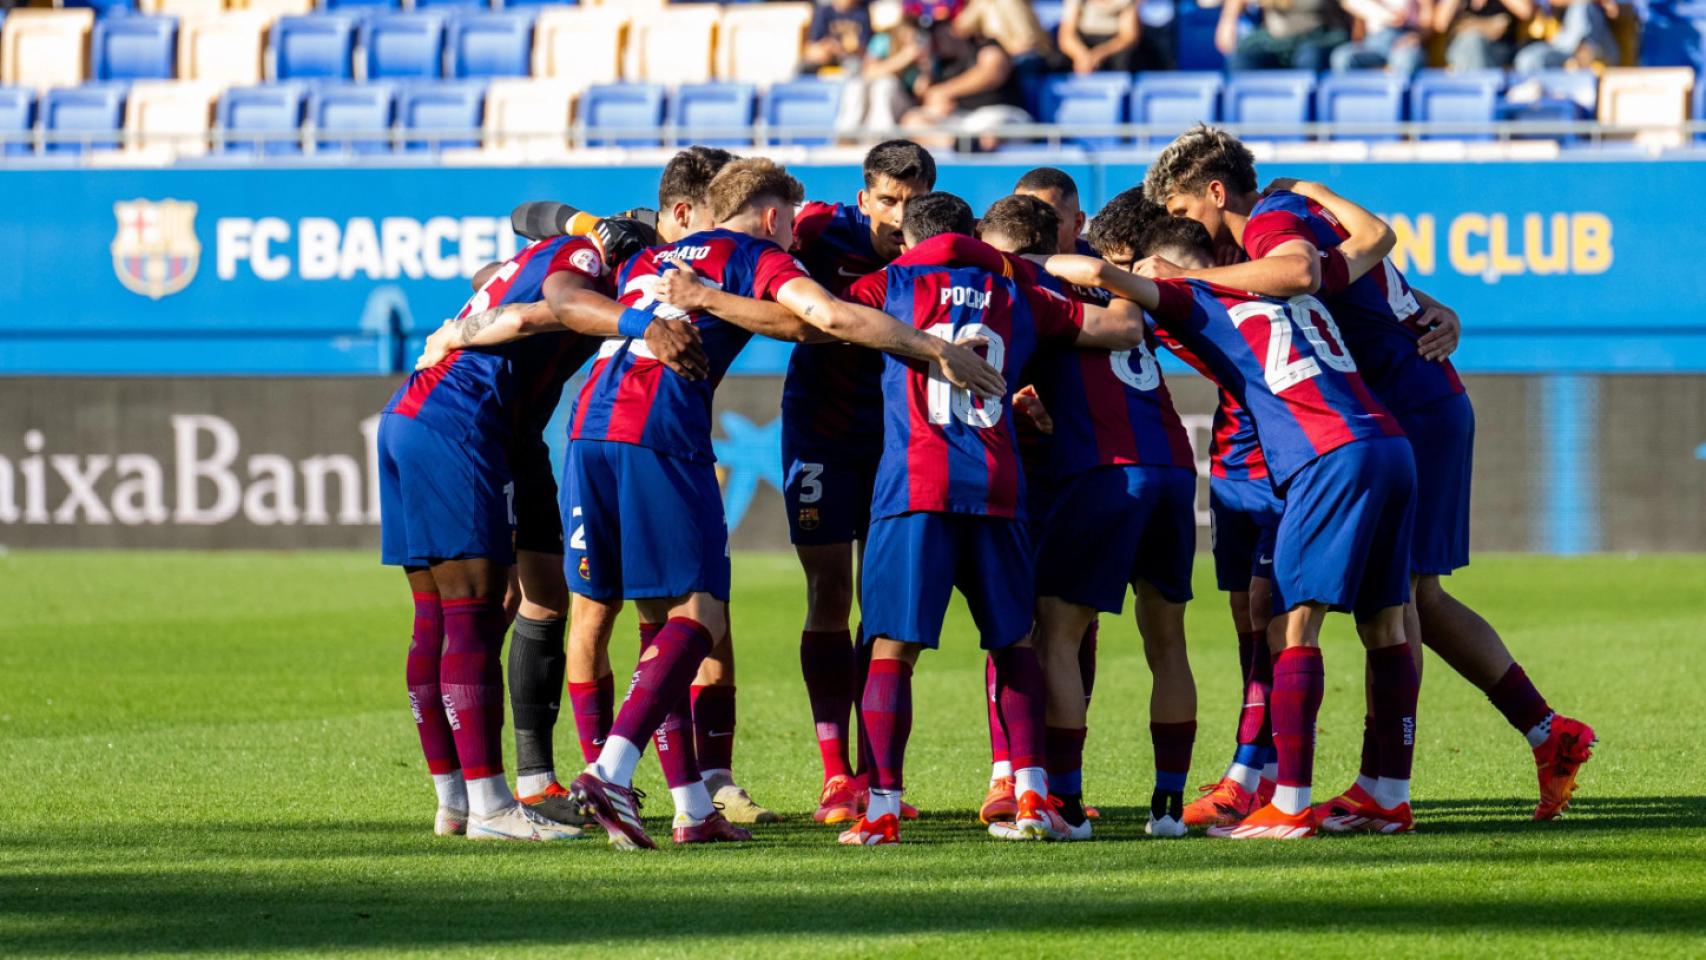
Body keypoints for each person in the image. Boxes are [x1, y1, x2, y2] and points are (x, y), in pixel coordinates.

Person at [1143, 124, 1597, 823]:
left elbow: (1299, 274)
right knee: (1418, 597)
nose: (1182, 230)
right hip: (1417, 400)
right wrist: (1436, 311)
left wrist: (1186, 280)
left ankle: (1385, 786)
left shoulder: (1270, 221)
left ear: (1212, 191)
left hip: (1405, 408)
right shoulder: (1294, 215)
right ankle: (1539, 734)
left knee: (1397, 601)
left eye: (1179, 212)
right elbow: (1373, 272)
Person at [542, 159, 1001, 850]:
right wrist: (936, 348)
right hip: (659, 435)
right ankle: (610, 768)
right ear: (771, 215)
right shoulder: (752, 252)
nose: (794, 241)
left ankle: (692, 807)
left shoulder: (662, 256)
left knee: (657, 620)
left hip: (588, 430)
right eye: (788, 224)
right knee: (699, 616)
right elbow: (828, 317)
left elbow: (568, 295)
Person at [1046, 212, 1422, 839]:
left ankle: (1290, 803)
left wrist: (1029, 264)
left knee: (1291, 623)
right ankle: (1389, 794)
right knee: (1385, 621)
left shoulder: (1193, 294)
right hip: (1388, 443)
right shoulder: (1285, 286)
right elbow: (1374, 246)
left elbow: (1091, 272)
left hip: (1325, 454)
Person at [828, 192, 1150, 846]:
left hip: (916, 482)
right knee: (1015, 643)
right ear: (973, 232)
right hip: (999, 481)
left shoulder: (888, 281)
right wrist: (1130, 277)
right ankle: (1032, 796)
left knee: (892, 645)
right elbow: (1118, 329)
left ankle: (883, 806)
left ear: (907, 236)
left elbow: (816, 318)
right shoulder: (1020, 288)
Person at [381, 223, 700, 843]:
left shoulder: (546, 256)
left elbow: (505, 286)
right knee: (469, 613)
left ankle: (471, 797)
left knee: (511, 598)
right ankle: (489, 807)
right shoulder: (582, 261)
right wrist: (637, 318)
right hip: (461, 421)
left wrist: (468, 322)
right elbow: (546, 309)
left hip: (460, 423)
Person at [978, 194, 1201, 840]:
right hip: (1171, 468)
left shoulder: (1031, 292)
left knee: (1056, 635)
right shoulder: (1114, 284)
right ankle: (1167, 808)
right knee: (1168, 643)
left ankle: (1067, 807)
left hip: (1103, 470)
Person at [776, 140, 936, 825]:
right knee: (828, 590)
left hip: (902, 437)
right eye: (888, 200)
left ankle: (877, 772)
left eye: (913, 200)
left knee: (886, 600)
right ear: (864, 197)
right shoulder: (816, 229)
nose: (901, 215)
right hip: (818, 428)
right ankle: (836, 773)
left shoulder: (941, 245)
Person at [902, 17, 1032, 149]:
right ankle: (960, 145)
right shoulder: (938, 63)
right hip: (962, 122)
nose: (934, 38)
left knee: (990, 135)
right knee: (913, 120)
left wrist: (944, 91)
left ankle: (973, 147)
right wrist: (925, 68)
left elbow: (993, 71)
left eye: (937, 31)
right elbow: (930, 100)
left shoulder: (983, 45)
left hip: (999, 114)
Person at [1216, 0, 1351, 71]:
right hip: (1274, 40)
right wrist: (1229, 18)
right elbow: (1225, 42)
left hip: (1319, 36)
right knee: (1242, 60)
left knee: (1309, 56)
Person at [1328, 0, 1427, 74]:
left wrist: (1417, 36)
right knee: (1342, 58)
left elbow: (1428, 17)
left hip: (1404, 38)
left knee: (1407, 60)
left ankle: (1398, 99)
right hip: (1374, 41)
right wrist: (1385, 14)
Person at [1432, 0, 1530, 70]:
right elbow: (1441, 24)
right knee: (1472, 42)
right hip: (1461, 52)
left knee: (1474, 42)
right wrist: (1488, 26)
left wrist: (1469, 25)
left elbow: (1526, 11)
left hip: (1499, 51)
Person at [1058, 0, 1142, 74]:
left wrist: (1097, 55)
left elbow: (1128, 37)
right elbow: (1066, 36)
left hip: (1112, 44)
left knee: (1124, 58)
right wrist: (1082, 57)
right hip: (1082, 42)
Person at [803, 0, 874, 75]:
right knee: (805, 66)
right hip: (826, 57)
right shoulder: (823, 11)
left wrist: (842, 48)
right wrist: (828, 48)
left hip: (850, 58)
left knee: (854, 66)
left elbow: (863, 46)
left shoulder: (862, 12)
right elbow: (812, 46)